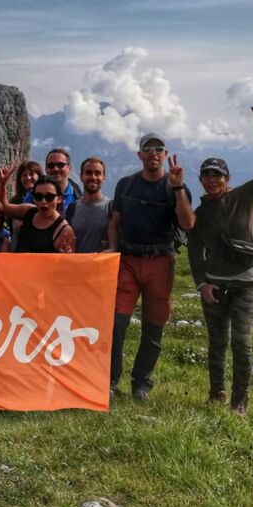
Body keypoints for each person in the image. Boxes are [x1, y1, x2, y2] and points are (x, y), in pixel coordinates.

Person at [189, 105, 253, 414]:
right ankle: (216, 394)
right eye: (206, 174)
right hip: (215, 285)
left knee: (241, 342)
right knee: (216, 343)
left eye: (217, 174)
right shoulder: (200, 213)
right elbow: (193, 250)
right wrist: (201, 283)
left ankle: (239, 403)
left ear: (227, 178)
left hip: (249, 285)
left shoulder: (249, 195)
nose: (211, 179)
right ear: (201, 179)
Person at [107, 134, 194, 401]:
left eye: (158, 149)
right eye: (148, 149)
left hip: (161, 262)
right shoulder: (126, 185)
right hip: (129, 261)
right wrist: (113, 249)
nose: (153, 153)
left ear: (165, 154)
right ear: (140, 155)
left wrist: (178, 188)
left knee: (154, 325)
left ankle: (141, 383)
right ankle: (109, 381)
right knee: (116, 323)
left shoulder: (176, 187)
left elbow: (188, 224)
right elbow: (115, 222)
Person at [0, 174, 75, 253]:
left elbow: (69, 261)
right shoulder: (28, 211)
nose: (43, 201)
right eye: (39, 196)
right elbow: (3, 208)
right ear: (34, 198)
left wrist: (66, 256)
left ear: (59, 199)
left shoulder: (64, 231)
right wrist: (2, 184)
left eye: (49, 197)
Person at [65, 157, 112, 253]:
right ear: (81, 177)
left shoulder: (112, 208)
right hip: (77, 266)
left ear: (104, 178)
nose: (93, 177)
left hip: (103, 266)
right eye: (88, 173)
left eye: (97, 173)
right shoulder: (71, 210)